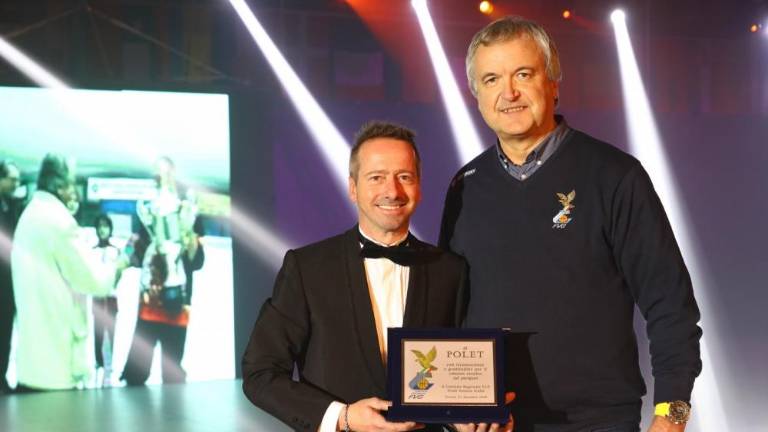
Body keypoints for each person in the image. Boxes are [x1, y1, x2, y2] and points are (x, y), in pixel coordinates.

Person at [439, 16, 702, 432]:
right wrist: (456, 409)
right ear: (476, 95)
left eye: (523, 74)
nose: (509, 92)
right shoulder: (464, 187)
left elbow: (671, 305)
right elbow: (448, 314)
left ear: (553, 83)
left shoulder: (615, 176)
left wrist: (672, 416)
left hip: (598, 422)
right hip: (495, 424)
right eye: (491, 79)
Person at [242, 122, 469, 432]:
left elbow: (459, 373)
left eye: (404, 177)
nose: (392, 191)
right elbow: (260, 372)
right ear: (353, 188)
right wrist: (343, 416)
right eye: (377, 177)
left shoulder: (450, 270)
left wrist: (470, 418)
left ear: (419, 187)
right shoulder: (307, 268)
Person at [11, 154, 126, 391]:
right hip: (56, 368)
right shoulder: (60, 223)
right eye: (71, 184)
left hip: (30, 363)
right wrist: (118, 265)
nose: (74, 191)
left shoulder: (29, 215)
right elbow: (97, 281)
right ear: (60, 186)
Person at [121, 157, 204, 385]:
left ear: (173, 174)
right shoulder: (147, 211)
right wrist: (124, 256)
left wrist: (188, 237)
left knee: (172, 372)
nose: (160, 179)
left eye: (164, 173)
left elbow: (198, 261)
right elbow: (136, 252)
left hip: (177, 303)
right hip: (150, 302)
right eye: (156, 175)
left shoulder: (187, 211)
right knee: (137, 371)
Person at [91, 213, 121, 387]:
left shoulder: (115, 251)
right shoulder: (92, 251)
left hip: (111, 298)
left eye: (105, 226)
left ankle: (109, 366)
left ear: (110, 229)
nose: (102, 230)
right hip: (97, 297)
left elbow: (120, 271)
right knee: (98, 332)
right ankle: (99, 363)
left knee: (111, 332)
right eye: (100, 227)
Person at [0, 160, 22, 394]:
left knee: (5, 331)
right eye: (12, 179)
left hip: (7, 283)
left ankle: (2, 379)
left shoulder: (10, 207)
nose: (17, 183)